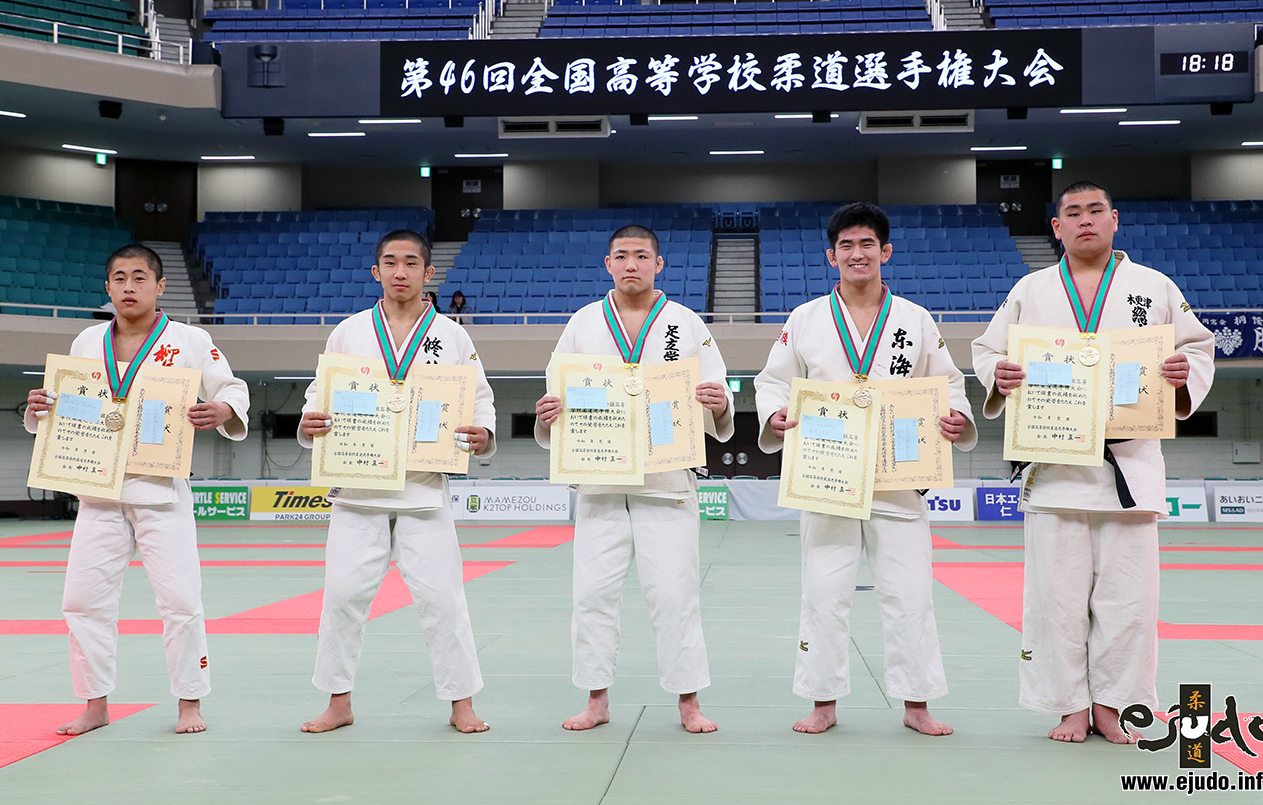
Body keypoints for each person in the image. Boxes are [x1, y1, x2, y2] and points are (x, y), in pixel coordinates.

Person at [971, 181, 1214, 743]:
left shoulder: (1152, 287)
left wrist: (1183, 375)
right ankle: (1069, 705)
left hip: (1129, 467)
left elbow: (1197, 348)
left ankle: (1113, 704)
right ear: (1056, 227)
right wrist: (998, 374)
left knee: (1129, 599)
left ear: (1115, 220)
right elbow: (988, 350)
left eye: (1095, 211)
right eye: (1072, 213)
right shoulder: (1031, 289)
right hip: (1055, 468)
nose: (1085, 220)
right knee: (1055, 599)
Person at [754, 202, 976, 737]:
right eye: (847, 245)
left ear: (886, 252)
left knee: (911, 594)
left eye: (867, 244)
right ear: (832, 256)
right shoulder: (805, 318)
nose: (858, 253)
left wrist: (957, 416)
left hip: (899, 476)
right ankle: (822, 701)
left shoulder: (916, 319)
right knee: (824, 593)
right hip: (827, 474)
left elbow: (948, 383)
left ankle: (917, 704)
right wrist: (775, 414)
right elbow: (771, 381)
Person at [25, 244, 250, 736]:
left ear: (160, 285)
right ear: (107, 288)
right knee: (83, 601)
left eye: (139, 278)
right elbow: (68, 404)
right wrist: (42, 405)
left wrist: (225, 411)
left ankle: (189, 703)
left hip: (161, 491)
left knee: (180, 600)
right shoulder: (87, 340)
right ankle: (95, 704)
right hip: (96, 491)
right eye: (120, 278)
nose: (129, 286)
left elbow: (232, 387)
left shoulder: (189, 340)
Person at [534, 224, 734, 734]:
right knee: (592, 597)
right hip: (600, 485)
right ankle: (596, 699)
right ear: (607, 264)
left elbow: (718, 394)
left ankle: (689, 703)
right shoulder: (582, 323)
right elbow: (556, 393)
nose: (631, 264)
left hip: (667, 486)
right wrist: (547, 413)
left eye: (641, 256)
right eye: (621, 256)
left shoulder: (687, 324)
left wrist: (721, 403)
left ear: (658, 264)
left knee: (675, 595)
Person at [297, 229, 495, 735]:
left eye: (411, 263)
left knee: (443, 600)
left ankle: (461, 704)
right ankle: (338, 702)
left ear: (429, 273)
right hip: (357, 491)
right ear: (376, 271)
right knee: (341, 598)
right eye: (390, 262)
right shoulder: (348, 332)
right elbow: (320, 394)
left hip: (423, 491)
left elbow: (480, 398)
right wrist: (307, 423)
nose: (400, 271)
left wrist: (484, 432)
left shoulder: (451, 335)